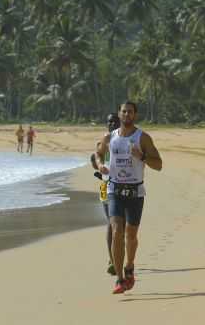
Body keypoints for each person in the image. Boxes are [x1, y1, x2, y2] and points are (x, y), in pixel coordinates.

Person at [95, 101, 163, 294]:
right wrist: (100, 165)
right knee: (116, 230)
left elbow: (158, 164)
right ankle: (119, 278)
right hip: (114, 189)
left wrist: (141, 156)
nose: (126, 115)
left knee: (130, 236)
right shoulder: (110, 137)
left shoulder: (143, 138)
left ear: (135, 115)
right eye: (123, 112)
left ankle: (129, 266)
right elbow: (97, 154)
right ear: (119, 114)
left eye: (130, 112)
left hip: (135, 192)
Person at [90, 113, 120, 276]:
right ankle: (112, 260)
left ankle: (118, 257)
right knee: (111, 222)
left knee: (122, 224)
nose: (111, 124)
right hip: (106, 186)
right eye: (109, 122)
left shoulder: (126, 140)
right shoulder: (103, 141)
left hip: (124, 186)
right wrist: (99, 165)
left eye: (114, 121)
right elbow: (96, 159)